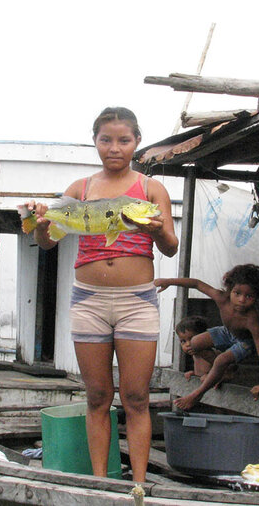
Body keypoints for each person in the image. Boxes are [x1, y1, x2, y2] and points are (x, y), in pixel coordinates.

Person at [23, 107, 178, 483]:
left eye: (123, 140)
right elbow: (47, 242)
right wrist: (40, 223)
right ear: (94, 141)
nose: (114, 148)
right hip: (89, 301)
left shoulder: (151, 190)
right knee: (96, 397)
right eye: (106, 140)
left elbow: (171, 247)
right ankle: (101, 482)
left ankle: (139, 486)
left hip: (136, 302)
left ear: (137, 142)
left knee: (137, 398)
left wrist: (155, 229)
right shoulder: (80, 189)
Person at [154, 264, 259, 410]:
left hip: (245, 342)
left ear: (257, 296)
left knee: (222, 360)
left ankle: (198, 394)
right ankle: (223, 371)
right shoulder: (222, 298)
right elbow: (196, 284)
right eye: (237, 293)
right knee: (194, 343)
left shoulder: (251, 319)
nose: (241, 300)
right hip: (227, 332)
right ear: (229, 290)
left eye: (249, 296)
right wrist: (169, 281)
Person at [175, 315, 218, 381]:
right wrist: (195, 374)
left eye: (192, 339)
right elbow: (202, 371)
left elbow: (226, 371)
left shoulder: (209, 353)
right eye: (183, 341)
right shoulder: (196, 355)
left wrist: (210, 376)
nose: (188, 344)